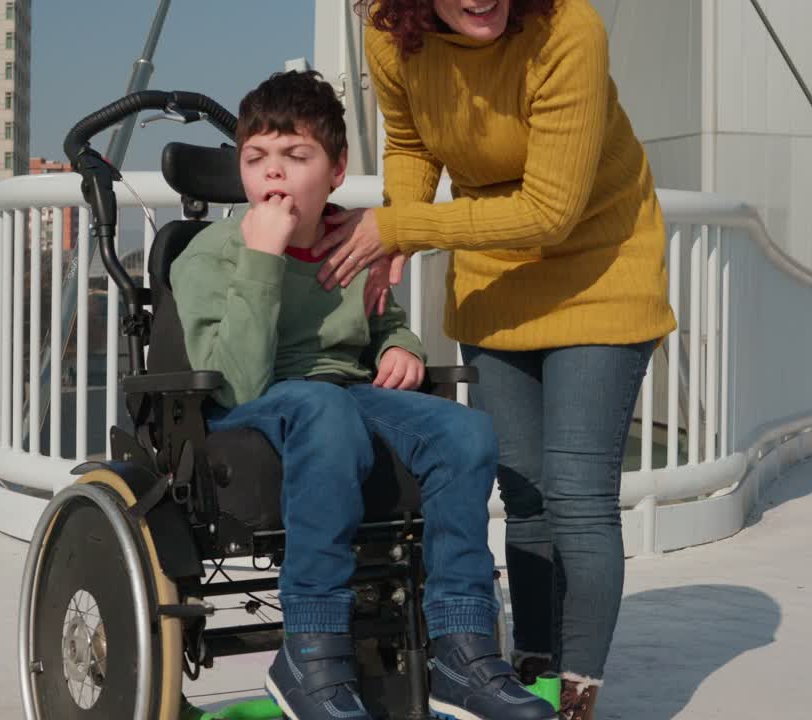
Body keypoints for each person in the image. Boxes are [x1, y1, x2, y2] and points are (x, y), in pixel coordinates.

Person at [312, 2, 678, 717]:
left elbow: (550, 211)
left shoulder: (569, 30)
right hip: (493, 275)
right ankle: (530, 677)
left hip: (602, 266)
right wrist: (397, 240)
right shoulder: (394, 35)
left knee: (576, 492)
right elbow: (412, 141)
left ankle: (577, 698)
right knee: (524, 489)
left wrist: (404, 225)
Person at [171, 70, 555, 720]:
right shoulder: (210, 254)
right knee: (323, 407)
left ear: (336, 169)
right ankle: (310, 653)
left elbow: (381, 321)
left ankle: (460, 649)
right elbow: (234, 378)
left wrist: (398, 344)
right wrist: (262, 258)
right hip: (254, 407)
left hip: (345, 395)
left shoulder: (350, 244)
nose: (275, 174)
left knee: (466, 431)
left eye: (296, 157)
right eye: (257, 158)